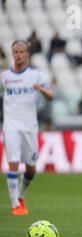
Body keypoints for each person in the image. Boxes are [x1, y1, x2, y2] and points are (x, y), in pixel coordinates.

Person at [0, 40, 53, 215]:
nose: (19, 55)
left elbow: (50, 96)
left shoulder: (36, 75)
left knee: (31, 168)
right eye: (16, 52)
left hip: (30, 126)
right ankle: (16, 204)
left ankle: (21, 194)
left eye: (22, 52)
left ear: (27, 54)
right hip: (11, 125)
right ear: (12, 54)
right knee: (13, 162)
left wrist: (42, 90)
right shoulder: (4, 76)